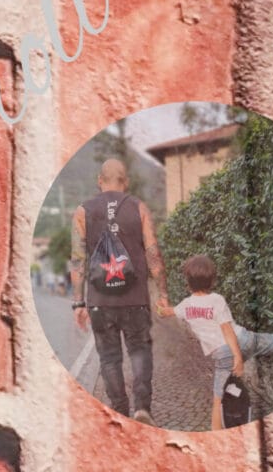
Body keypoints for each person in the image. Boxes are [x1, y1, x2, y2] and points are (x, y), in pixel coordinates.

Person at [71, 157, 166, 422]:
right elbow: (153, 253)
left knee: (110, 358)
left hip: (100, 301)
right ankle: (142, 408)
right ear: (126, 181)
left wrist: (78, 303)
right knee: (139, 350)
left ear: (99, 181)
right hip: (136, 299)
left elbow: (77, 260)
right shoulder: (139, 208)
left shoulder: (82, 211)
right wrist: (164, 295)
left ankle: (121, 411)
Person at [174, 253, 273, 423]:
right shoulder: (217, 299)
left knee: (218, 400)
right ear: (212, 281)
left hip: (225, 353)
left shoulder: (185, 305)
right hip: (245, 339)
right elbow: (228, 328)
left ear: (187, 283)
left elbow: (173, 312)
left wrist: (237, 357)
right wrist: (238, 355)